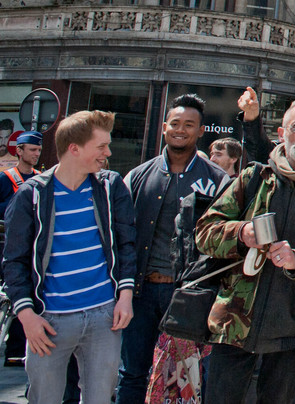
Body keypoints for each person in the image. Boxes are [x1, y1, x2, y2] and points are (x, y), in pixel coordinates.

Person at [194, 96, 295, 404]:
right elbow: (204, 232)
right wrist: (241, 233)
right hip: (235, 325)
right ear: (282, 133)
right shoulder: (254, 177)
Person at [2, 110, 136, 404]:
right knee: (45, 398)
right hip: (49, 320)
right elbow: (14, 261)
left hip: (104, 316)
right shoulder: (32, 194)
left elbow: (127, 244)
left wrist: (125, 296)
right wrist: (26, 317)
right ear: (74, 148)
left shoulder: (110, 187)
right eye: (101, 146)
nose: (108, 153)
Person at [117, 95, 227, 404]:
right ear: (165, 127)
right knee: (133, 373)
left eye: (189, 125)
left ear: (201, 131)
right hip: (140, 293)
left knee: (185, 378)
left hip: (186, 296)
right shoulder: (138, 176)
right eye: (175, 124)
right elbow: (123, 237)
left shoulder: (217, 180)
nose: (180, 130)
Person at [0, 128, 43, 367]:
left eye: (39, 150)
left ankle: (15, 352)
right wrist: (16, 200)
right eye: (32, 150)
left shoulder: (41, 178)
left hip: (31, 247)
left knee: (25, 296)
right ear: (19, 151)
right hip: (2, 246)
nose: (36, 154)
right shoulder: (4, 179)